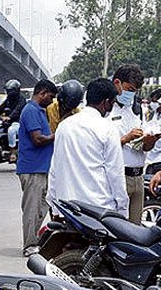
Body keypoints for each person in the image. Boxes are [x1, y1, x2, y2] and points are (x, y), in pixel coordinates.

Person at [48, 79, 127, 215]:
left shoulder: (64, 126)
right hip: (99, 209)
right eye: (112, 103)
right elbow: (115, 174)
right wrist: (122, 208)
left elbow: (54, 168)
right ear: (106, 102)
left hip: (67, 208)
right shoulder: (108, 129)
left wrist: (53, 203)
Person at [17, 79, 58, 255]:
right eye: (51, 96)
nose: (52, 100)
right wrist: (58, 134)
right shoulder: (31, 111)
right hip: (32, 168)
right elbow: (38, 139)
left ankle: (34, 240)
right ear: (42, 93)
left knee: (42, 207)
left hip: (41, 168)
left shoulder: (40, 111)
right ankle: (29, 246)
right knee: (32, 209)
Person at [108, 63, 147, 223]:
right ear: (117, 83)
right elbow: (100, 146)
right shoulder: (106, 109)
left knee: (135, 229)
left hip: (139, 177)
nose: (131, 94)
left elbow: (146, 147)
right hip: (118, 177)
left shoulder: (138, 109)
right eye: (129, 89)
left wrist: (150, 141)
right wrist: (126, 138)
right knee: (117, 227)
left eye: (135, 91)